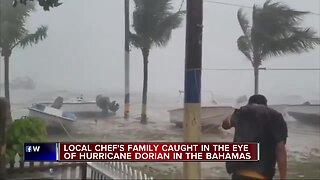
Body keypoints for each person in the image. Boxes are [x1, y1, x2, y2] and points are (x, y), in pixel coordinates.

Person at [222, 94, 288, 180]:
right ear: (265, 104)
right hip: (262, 175)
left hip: (239, 174)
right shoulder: (276, 116)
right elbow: (280, 149)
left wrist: (235, 113)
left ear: (249, 103)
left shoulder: (242, 112)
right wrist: (283, 178)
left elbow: (225, 125)